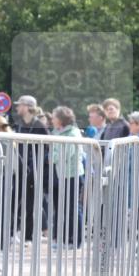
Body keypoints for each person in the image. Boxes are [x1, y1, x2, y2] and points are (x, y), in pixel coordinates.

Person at [12, 95, 49, 242]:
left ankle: (28, 235)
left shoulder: (39, 125)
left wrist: (35, 166)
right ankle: (21, 233)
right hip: (21, 169)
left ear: (28, 107)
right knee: (18, 201)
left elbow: (47, 148)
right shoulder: (20, 124)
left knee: (30, 203)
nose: (17, 108)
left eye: (20, 105)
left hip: (34, 171)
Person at [49, 106, 85, 248]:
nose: (52, 119)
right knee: (62, 207)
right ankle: (63, 239)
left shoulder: (72, 133)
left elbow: (66, 153)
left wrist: (51, 158)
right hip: (61, 174)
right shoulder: (58, 132)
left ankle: (75, 240)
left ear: (61, 119)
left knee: (73, 208)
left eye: (54, 117)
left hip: (72, 175)